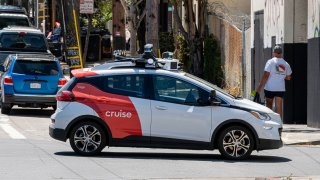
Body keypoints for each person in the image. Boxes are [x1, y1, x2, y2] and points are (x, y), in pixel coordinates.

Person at [255, 45, 292, 119]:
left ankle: (270, 122)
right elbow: (289, 77)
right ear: (281, 53)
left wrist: (259, 87)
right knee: (279, 107)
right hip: (280, 88)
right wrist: (281, 75)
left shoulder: (270, 62)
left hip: (270, 88)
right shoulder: (286, 64)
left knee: (269, 107)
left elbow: (266, 75)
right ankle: (279, 124)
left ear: (273, 53)